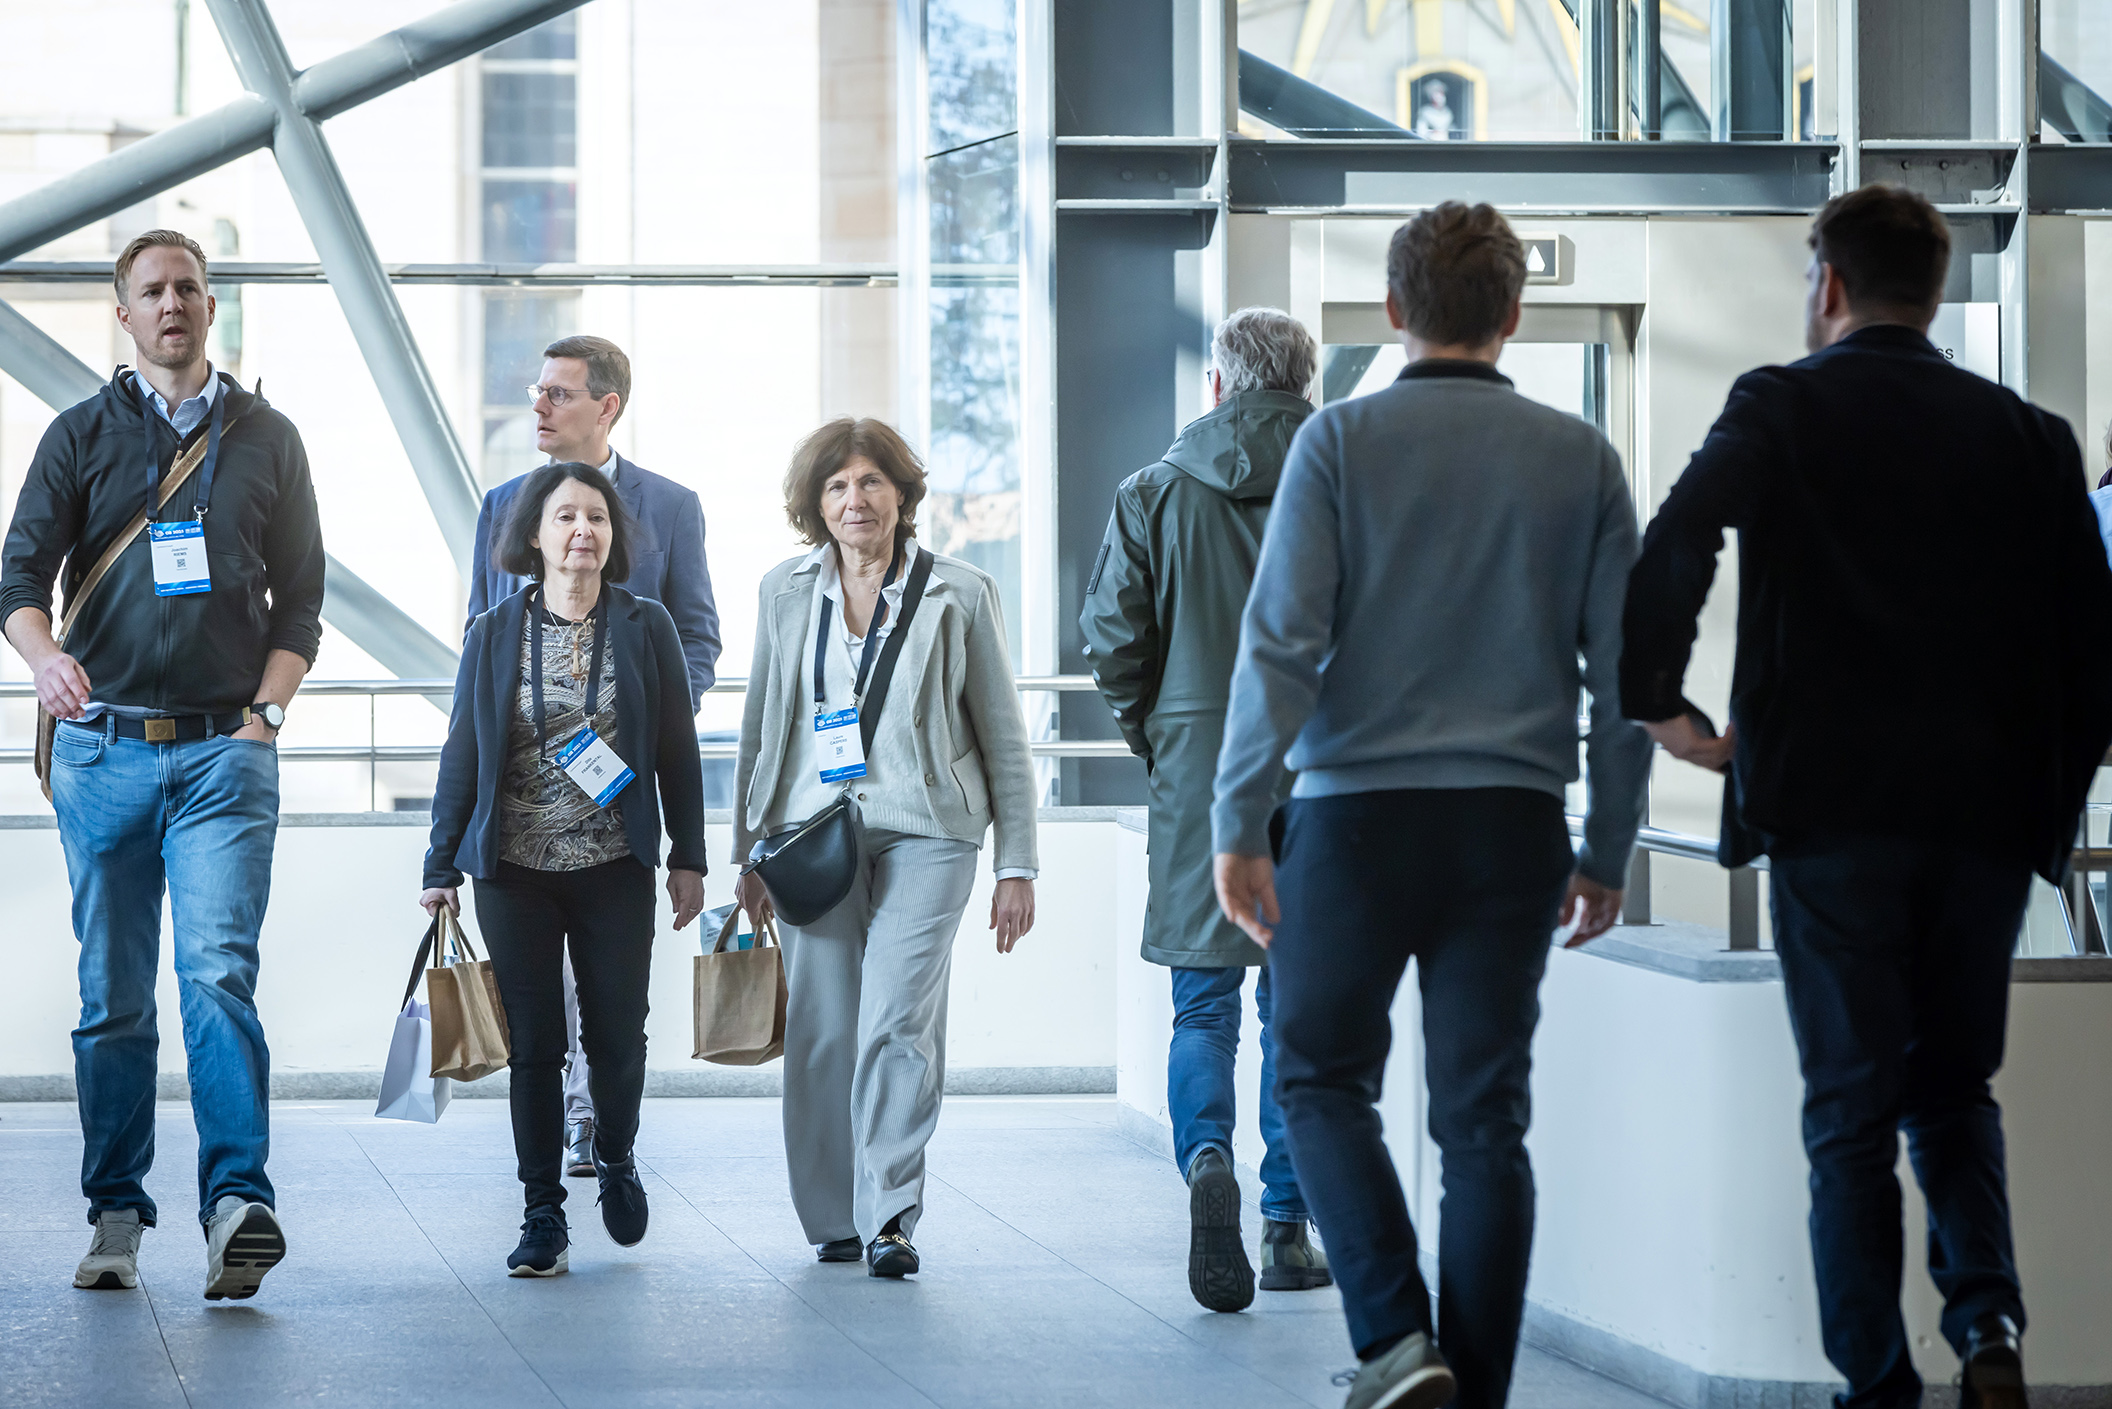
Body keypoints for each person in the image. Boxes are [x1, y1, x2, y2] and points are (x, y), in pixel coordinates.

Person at [1621, 184, 2112, 1409]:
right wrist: (2045, 816)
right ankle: (1987, 1320)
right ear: (1933, 289)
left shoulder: (1781, 405)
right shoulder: (2031, 436)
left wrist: (1662, 704)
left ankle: (1879, 1384)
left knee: (1849, 1112)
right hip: (1984, 825)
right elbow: (2095, 653)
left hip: (1829, 813)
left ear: (1830, 284)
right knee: (1954, 1088)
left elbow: (1678, 539)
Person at [1211, 202, 1650, 1409]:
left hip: (1355, 822)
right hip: (1512, 824)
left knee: (1318, 1078)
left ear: (1396, 308)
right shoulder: (1580, 456)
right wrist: (1609, 845)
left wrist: (1238, 821)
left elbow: (1279, 646)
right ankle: (1475, 1390)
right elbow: (1625, 680)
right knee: (1483, 1122)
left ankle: (1400, 1338)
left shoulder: (1339, 442)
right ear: (1514, 312)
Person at [0, 229, 324, 1300]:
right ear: (125, 314)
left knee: (218, 973)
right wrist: (45, 660)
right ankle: (115, 1210)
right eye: (152, 290)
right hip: (104, 755)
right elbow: (17, 580)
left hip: (225, 754)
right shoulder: (80, 434)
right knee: (113, 994)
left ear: (211, 305)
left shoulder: (268, 438)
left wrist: (264, 719)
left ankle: (237, 1204)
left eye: (188, 285)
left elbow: (302, 602)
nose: (172, 302)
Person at [732, 417, 1038, 1279]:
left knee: (898, 1018)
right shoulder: (785, 590)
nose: (854, 499)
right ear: (815, 503)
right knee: (825, 1026)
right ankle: (833, 1212)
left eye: (871, 481)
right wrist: (746, 852)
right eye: (836, 485)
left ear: (902, 494)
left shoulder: (961, 592)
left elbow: (1004, 737)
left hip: (931, 828)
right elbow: (760, 729)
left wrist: (1017, 862)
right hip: (811, 831)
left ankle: (891, 1213)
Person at [1079, 306, 1330, 1312]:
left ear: (1219, 384)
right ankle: (1287, 1225)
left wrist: (1163, 736)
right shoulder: (1348, 476)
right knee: (1299, 1007)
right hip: (1323, 766)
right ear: (1306, 384)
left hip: (1199, 767)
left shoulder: (1155, 488)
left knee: (1204, 1002)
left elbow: (1112, 639)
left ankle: (1208, 1159)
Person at [422, 461, 708, 1277]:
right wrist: (440, 863)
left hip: (614, 863)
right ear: (535, 536)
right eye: (566, 517)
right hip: (514, 869)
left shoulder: (646, 625)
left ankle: (614, 1153)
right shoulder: (494, 631)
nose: (583, 530)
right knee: (535, 1044)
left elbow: (677, 749)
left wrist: (688, 856)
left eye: (597, 517)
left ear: (614, 536)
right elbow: (463, 750)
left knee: (617, 1035)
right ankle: (542, 1211)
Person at [467, 335, 722, 1182]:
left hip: (617, 810)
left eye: (558, 393)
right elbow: (476, 636)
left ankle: (599, 1129)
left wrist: (649, 721)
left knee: (612, 1010)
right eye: (536, 391)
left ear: (606, 407)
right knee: (542, 1011)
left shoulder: (669, 506)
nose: (538, 406)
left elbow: (696, 635)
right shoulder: (501, 503)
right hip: (524, 815)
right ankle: (562, 1152)